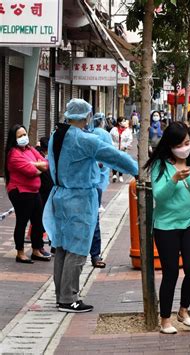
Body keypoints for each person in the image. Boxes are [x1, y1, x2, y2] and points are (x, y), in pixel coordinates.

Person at [43, 99, 138, 313]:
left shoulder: (56, 136)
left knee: (62, 247)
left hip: (59, 195)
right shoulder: (84, 139)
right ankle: (69, 299)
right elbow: (115, 157)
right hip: (79, 198)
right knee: (77, 249)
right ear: (87, 116)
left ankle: (62, 296)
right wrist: (138, 169)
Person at [144, 122, 190, 334]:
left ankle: (183, 310)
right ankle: (165, 319)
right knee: (170, 272)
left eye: (188, 142)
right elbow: (159, 197)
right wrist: (174, 179)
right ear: (171, 145)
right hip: (166, 225)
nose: (186, 147)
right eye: (181, 144)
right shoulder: (161, 166)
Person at [4, 125, 51, 264]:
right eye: (20, 136)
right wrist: (36, 165)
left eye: (24, 134)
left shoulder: (30, 149)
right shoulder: (13, 154)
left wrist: (34, 163)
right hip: (20, 192)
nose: (24, 137)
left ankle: (36, 250)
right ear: (14, 138)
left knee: (38, 221)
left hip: (34, 191)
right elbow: (33, 172)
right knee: (22, 221)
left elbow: (46, 164)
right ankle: (20, 253)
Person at [89, 112, 113, 268]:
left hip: (91, 184)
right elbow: (111, 156)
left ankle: (95, 254)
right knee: (92, 220)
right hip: (83, 186)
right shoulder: (81, 137)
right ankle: (95, 255)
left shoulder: (88, 134)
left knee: (92, 220)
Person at [110, 116, 133, 183]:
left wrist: (125, 146)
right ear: (119, 122)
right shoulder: (114, 129)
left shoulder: (127, 130)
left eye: (125, 121)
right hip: (115, 147)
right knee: (114, 161)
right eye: (123, 121)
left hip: (123, 148)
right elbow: (110, 137)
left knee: (121, 162)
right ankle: (114, 175)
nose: (124, 122)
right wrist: (113, 145)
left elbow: (130, 139)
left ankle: (120, 175)